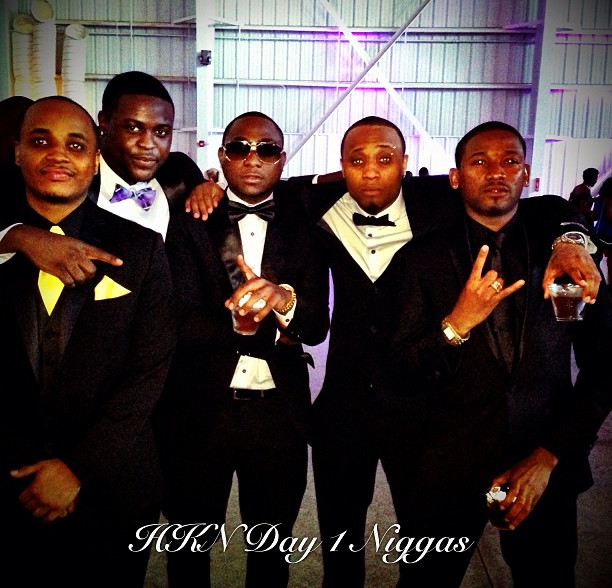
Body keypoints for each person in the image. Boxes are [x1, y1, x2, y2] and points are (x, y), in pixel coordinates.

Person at [184, 115, 601, 586]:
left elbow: (541, 206)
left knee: (423, 554)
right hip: (343, 407)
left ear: (404, 163)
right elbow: (255, 182)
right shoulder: (309, 202)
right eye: (357, 160)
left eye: (384, 159)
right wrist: (206, 185)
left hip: (422, 411)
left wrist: (571, 239)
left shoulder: (441, 198)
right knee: (340, 545)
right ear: (341, 166)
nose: (370, 171)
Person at [384, 121, 612, 587]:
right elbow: (400, 372)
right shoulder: (420, 260)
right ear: (455, 177)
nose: (496, 172)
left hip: (543, 464)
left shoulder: (565, 260)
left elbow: (605, 365)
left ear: (526, 174)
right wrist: (456, 325)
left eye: (509, 161)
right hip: (445, 468)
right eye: (479, 161)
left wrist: (551, 454)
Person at [0, 96, 176, 586]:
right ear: (17, 152)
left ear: (95, 159)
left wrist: (76, 468)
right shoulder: (5, 239)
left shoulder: (141, 248)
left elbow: (149, 371)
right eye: (41, 141)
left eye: (76, 145)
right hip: (11, 481)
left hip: (111, 483)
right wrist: (15, 236)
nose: (58, 154)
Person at [155, 111, 330, 587]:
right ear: (222, 156)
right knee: (188, 549)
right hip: (198, 410)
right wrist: (248, 328)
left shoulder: (306, 226)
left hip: (279, 415)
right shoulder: (189, 219)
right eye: (239, 148)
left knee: (271, 551)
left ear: (282, 159)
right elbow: (178, 321)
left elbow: (316, 326)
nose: (253, 159)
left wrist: (285, 302)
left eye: (266, 149)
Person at [0, 71, 208, 286]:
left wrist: (214, 191)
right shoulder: (57, 178)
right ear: (104, 122)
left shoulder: (180, 172)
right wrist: (17, 236)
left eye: (161, 132)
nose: (148, 144)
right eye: (133, 128)